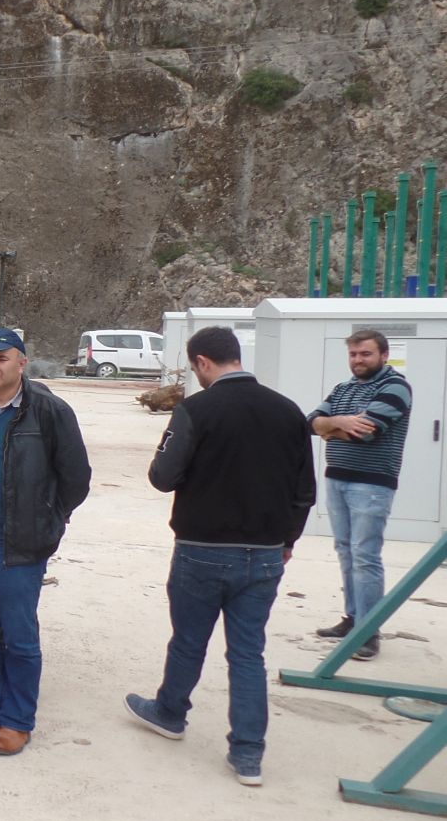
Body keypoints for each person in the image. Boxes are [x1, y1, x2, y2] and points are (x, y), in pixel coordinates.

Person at [124, 328, 315, 786]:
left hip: (202, 549)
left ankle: (170, 713)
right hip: (266, 554)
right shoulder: (288, 412)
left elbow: (162, 477)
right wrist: (287, 542)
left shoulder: (195, 409)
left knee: (189, 641)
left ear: (203, 362)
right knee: (248, 654)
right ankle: (248, 755)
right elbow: (304, 491)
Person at [0, 327, 90, 756]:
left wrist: (48, 519)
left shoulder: (48, 410)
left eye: (0, 358)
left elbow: (76, 478)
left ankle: (18, 721)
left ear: (21, 363)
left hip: (19, 545)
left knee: (20, 637)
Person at [307, 329, 412, 661]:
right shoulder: (344, 388)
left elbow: (366, 433)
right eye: (353, 354)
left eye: (365, 354)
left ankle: (369, 632)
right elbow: (310, 422)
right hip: (336, 479)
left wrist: (330, 429)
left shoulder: (395, 387)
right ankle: (353, 619)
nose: (358, 360)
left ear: (383, 355)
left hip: (372, 484)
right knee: (345, 551)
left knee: (365, 556)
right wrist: (338, 422)